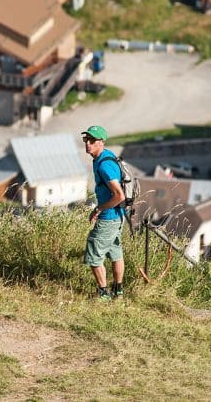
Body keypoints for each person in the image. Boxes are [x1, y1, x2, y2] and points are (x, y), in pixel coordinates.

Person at [81, 125, 126, 301]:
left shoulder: (105, 165)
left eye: (92, 141)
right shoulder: (105, 156)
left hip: (110, 217)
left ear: (101, 142)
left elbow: (119, 195)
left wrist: (98, 209)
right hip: (119, 216)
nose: (88, 144)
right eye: (86, 140)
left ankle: (103, 294)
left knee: (93, 255)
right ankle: (118, 291)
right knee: (115, 252)